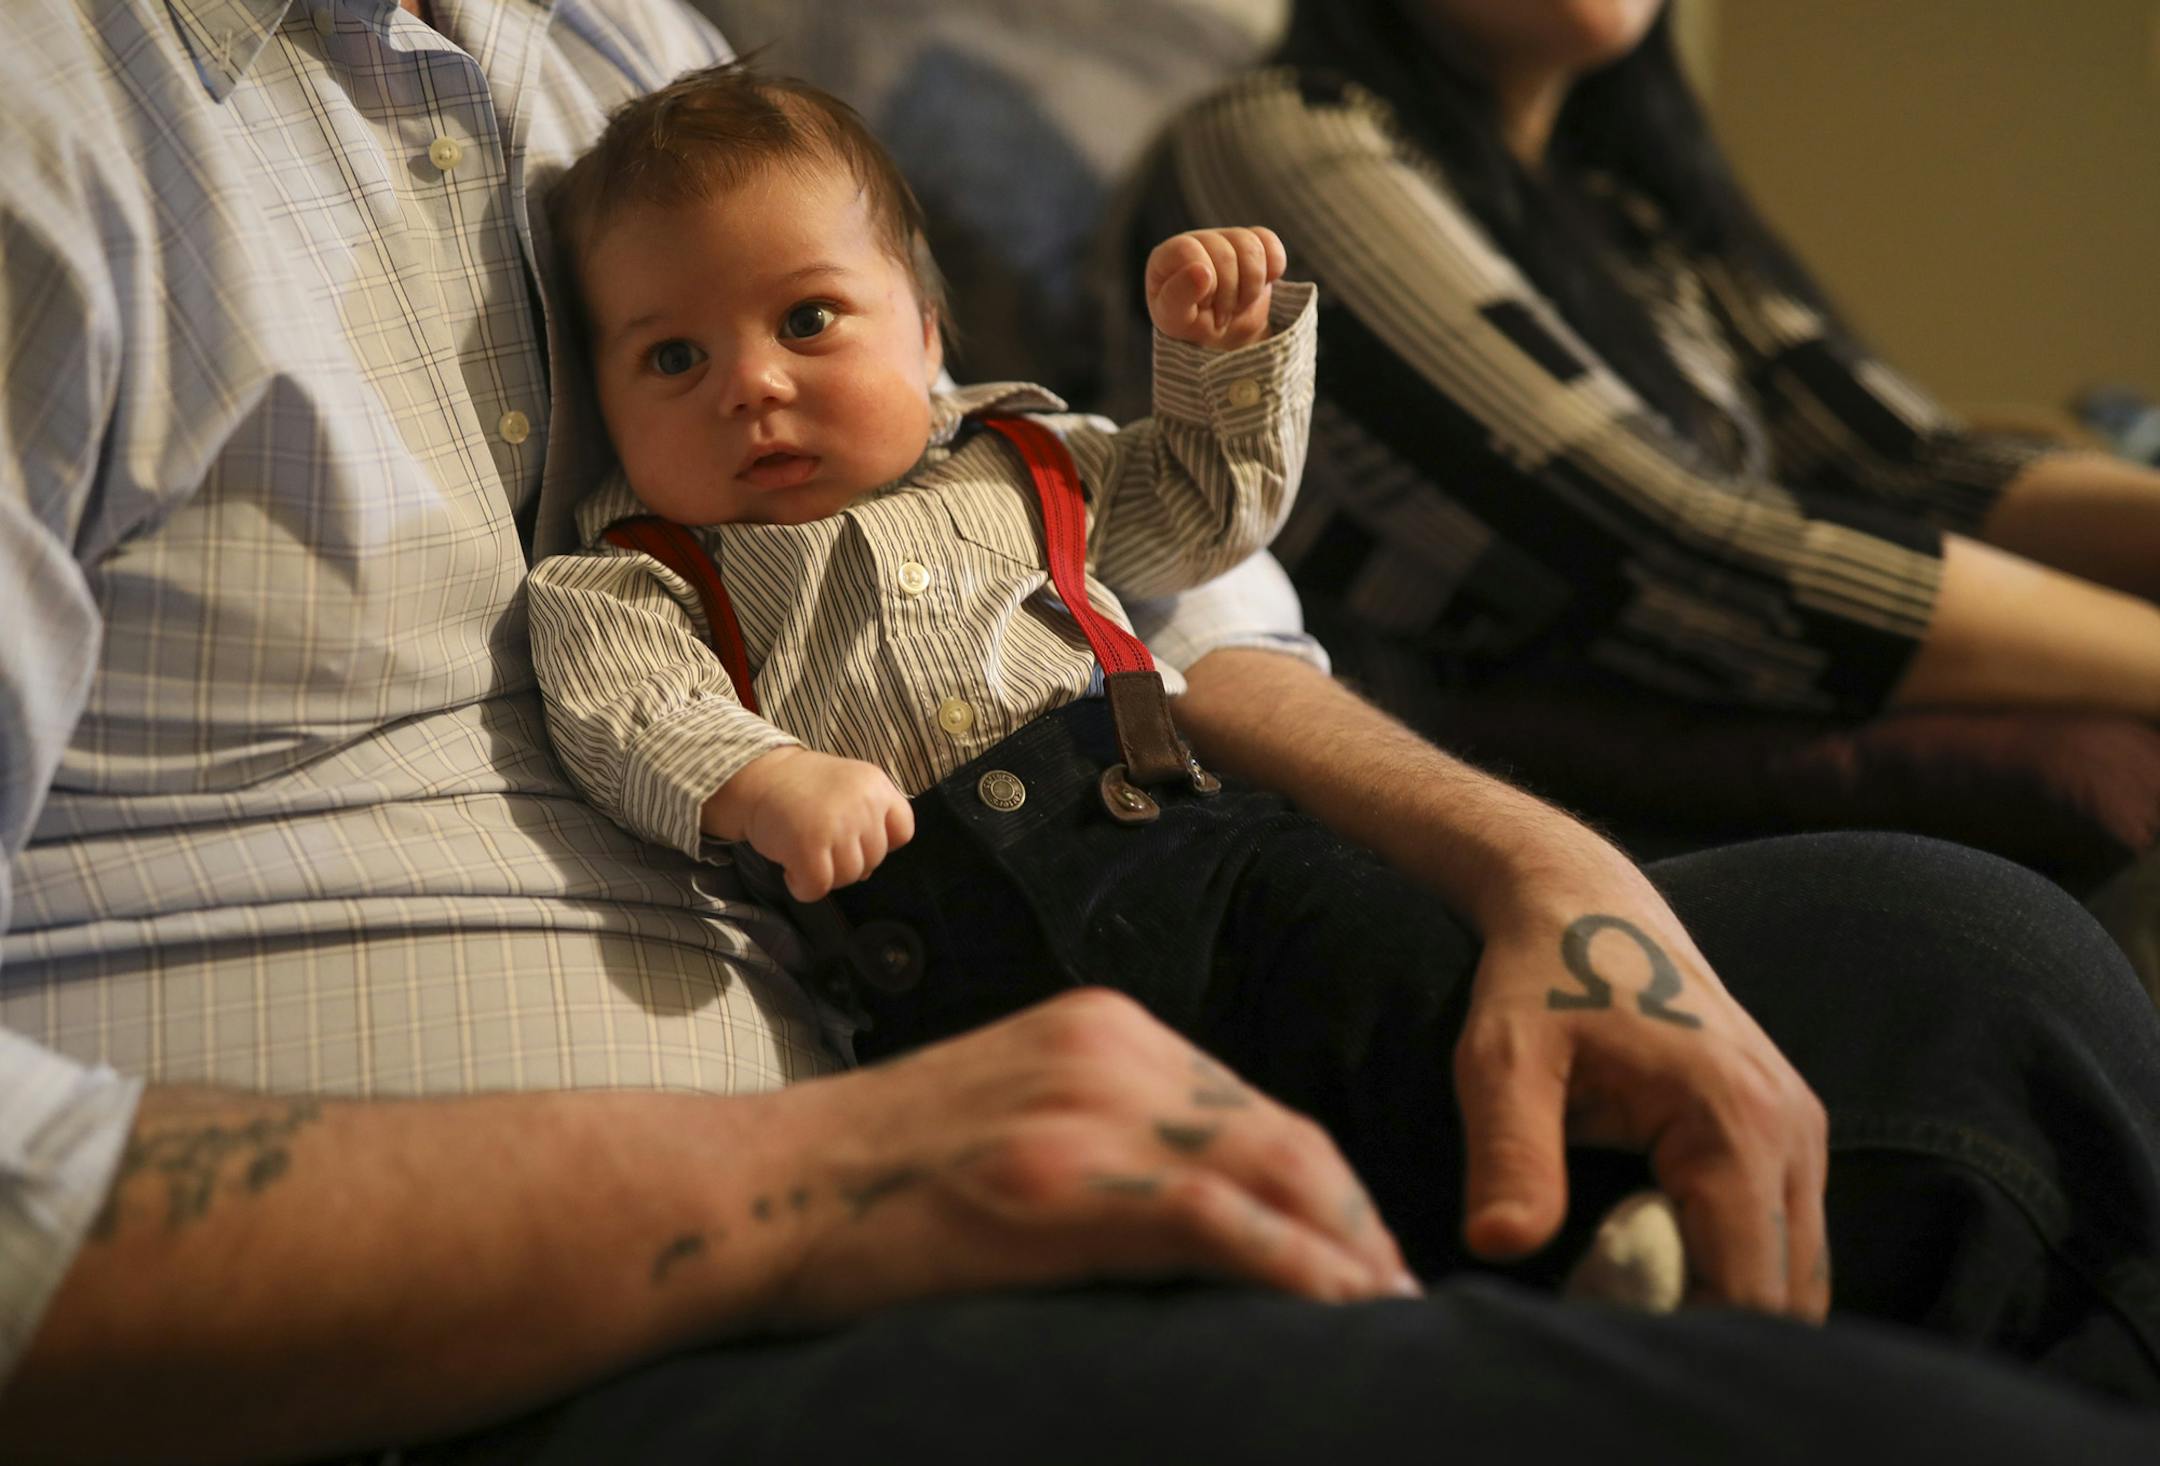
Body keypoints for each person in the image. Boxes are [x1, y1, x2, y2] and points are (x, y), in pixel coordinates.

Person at [3, 2, 2160, 1463]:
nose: (749, 381)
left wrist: (1536, 863)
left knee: (1973, 982)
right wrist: (816, 1178)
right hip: (489, 1337)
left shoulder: (627, 51)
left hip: (1037, 998)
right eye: (680, 352)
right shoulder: (54, 123)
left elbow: (1150, 567)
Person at [1114, 0, 2160, 730]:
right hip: (1448, 761)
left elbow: (1905, 461)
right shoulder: (1273, 134)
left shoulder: (1626, 201)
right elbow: (1662, 539)